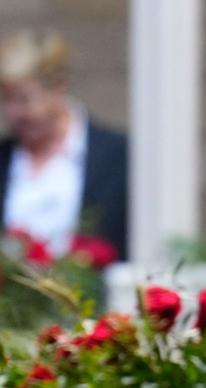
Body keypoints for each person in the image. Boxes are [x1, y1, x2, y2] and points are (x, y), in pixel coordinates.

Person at [0, 29, 128, 261]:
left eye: (23, 99)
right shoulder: (5, 156)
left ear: (58, 87)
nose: (13, 113)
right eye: (6, 99)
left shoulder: (116, 155)